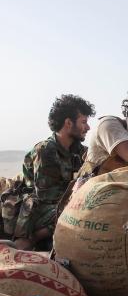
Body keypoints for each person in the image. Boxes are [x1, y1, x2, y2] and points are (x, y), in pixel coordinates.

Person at [12, 95, 95, 250]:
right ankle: (32, 240)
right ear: (68, 123)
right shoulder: (46, 151)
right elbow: (46, 196)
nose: (88, 127)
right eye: (84, 122)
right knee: (78, 211)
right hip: (37, 209)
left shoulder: (80, 152)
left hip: (57, 205)